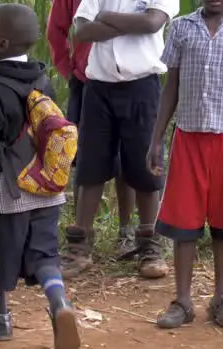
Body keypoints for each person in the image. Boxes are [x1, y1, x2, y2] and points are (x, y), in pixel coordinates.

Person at [0, 2, 81, 349]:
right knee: (45, 254)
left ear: (1, 45)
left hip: (5, 192)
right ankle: (59, 302)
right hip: (45, 189)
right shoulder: (42, 79)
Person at [147, 0, 223, 330]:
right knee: (183, 222)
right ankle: (183, 301)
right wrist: (156, 137)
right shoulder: (181, 28)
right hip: (188, 137)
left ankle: (221, 299)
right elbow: (170, 86)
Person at [61, 0, 178, 282]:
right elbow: (82, 32)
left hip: (141, 85)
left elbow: (151, 23)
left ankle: (149, 243)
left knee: (145, 165)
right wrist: (129, 23)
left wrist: (105, 17)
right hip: (98, 87)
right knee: (91, 164)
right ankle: (80, 244)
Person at [46, 0, 139, 264]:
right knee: (88, 159)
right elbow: (57, 30)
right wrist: (69, 69)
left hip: (131, 80)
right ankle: (81, 238)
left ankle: (127, 231)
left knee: (127, 158)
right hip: (88, 80)